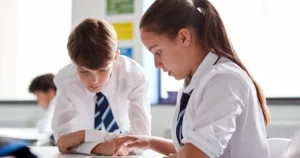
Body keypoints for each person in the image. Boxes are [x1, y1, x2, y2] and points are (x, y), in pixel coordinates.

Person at [113, 0, 271, 158]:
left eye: (157, 52)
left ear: (183, 37)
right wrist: (149, 142)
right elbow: (189, 148)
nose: (156, 64)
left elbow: (197, 154)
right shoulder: (194, 82)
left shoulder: (225, 80)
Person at [51, 18, 151, 156]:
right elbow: (63, 142)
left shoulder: (135, 77)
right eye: (84, 71)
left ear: (115, 56)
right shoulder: (65, 80)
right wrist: (99, 146)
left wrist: (83, 137)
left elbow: (140, 143)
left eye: (103, 70)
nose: (94, 80)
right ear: (73, 62)